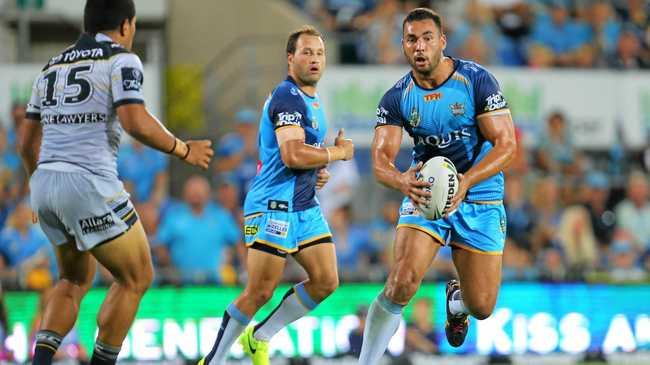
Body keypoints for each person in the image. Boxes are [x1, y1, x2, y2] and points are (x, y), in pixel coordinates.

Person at [18, 1, 213, 364]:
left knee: (74, 279)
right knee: (137, 275)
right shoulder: (121, 59)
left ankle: (41, 361)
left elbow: (26, 143)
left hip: (45, 184)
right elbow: (134, 120)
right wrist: (184, 149)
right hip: (89, 183)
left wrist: (35, 189)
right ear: (126, 25)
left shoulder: (50, 67)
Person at [359, 8, 516, 363]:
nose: (420, 46)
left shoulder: (477, 81)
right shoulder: (397, 97)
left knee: (483, 307)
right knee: (401, 280)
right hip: (427, 191)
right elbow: (380, 161)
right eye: (412, 39)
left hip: (480, 194)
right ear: (403, 45)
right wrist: (402, 180)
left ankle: (457, 301)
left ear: (442, 42)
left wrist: (467, 181)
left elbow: (507, 145)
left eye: (427, 38)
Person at [200, 25, 354, 365]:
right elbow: (292, 155)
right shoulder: (287, 97)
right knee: (259, 291)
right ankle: (212, 361)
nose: (314, 59)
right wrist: (336, 154)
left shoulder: (312, 101)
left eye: (319, 53)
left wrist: (317, 172)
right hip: (273, 204)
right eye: (306, 52)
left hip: (302, 204)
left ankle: (260, 337)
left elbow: (300, 157)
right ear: (290, 58)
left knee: (327, 280)